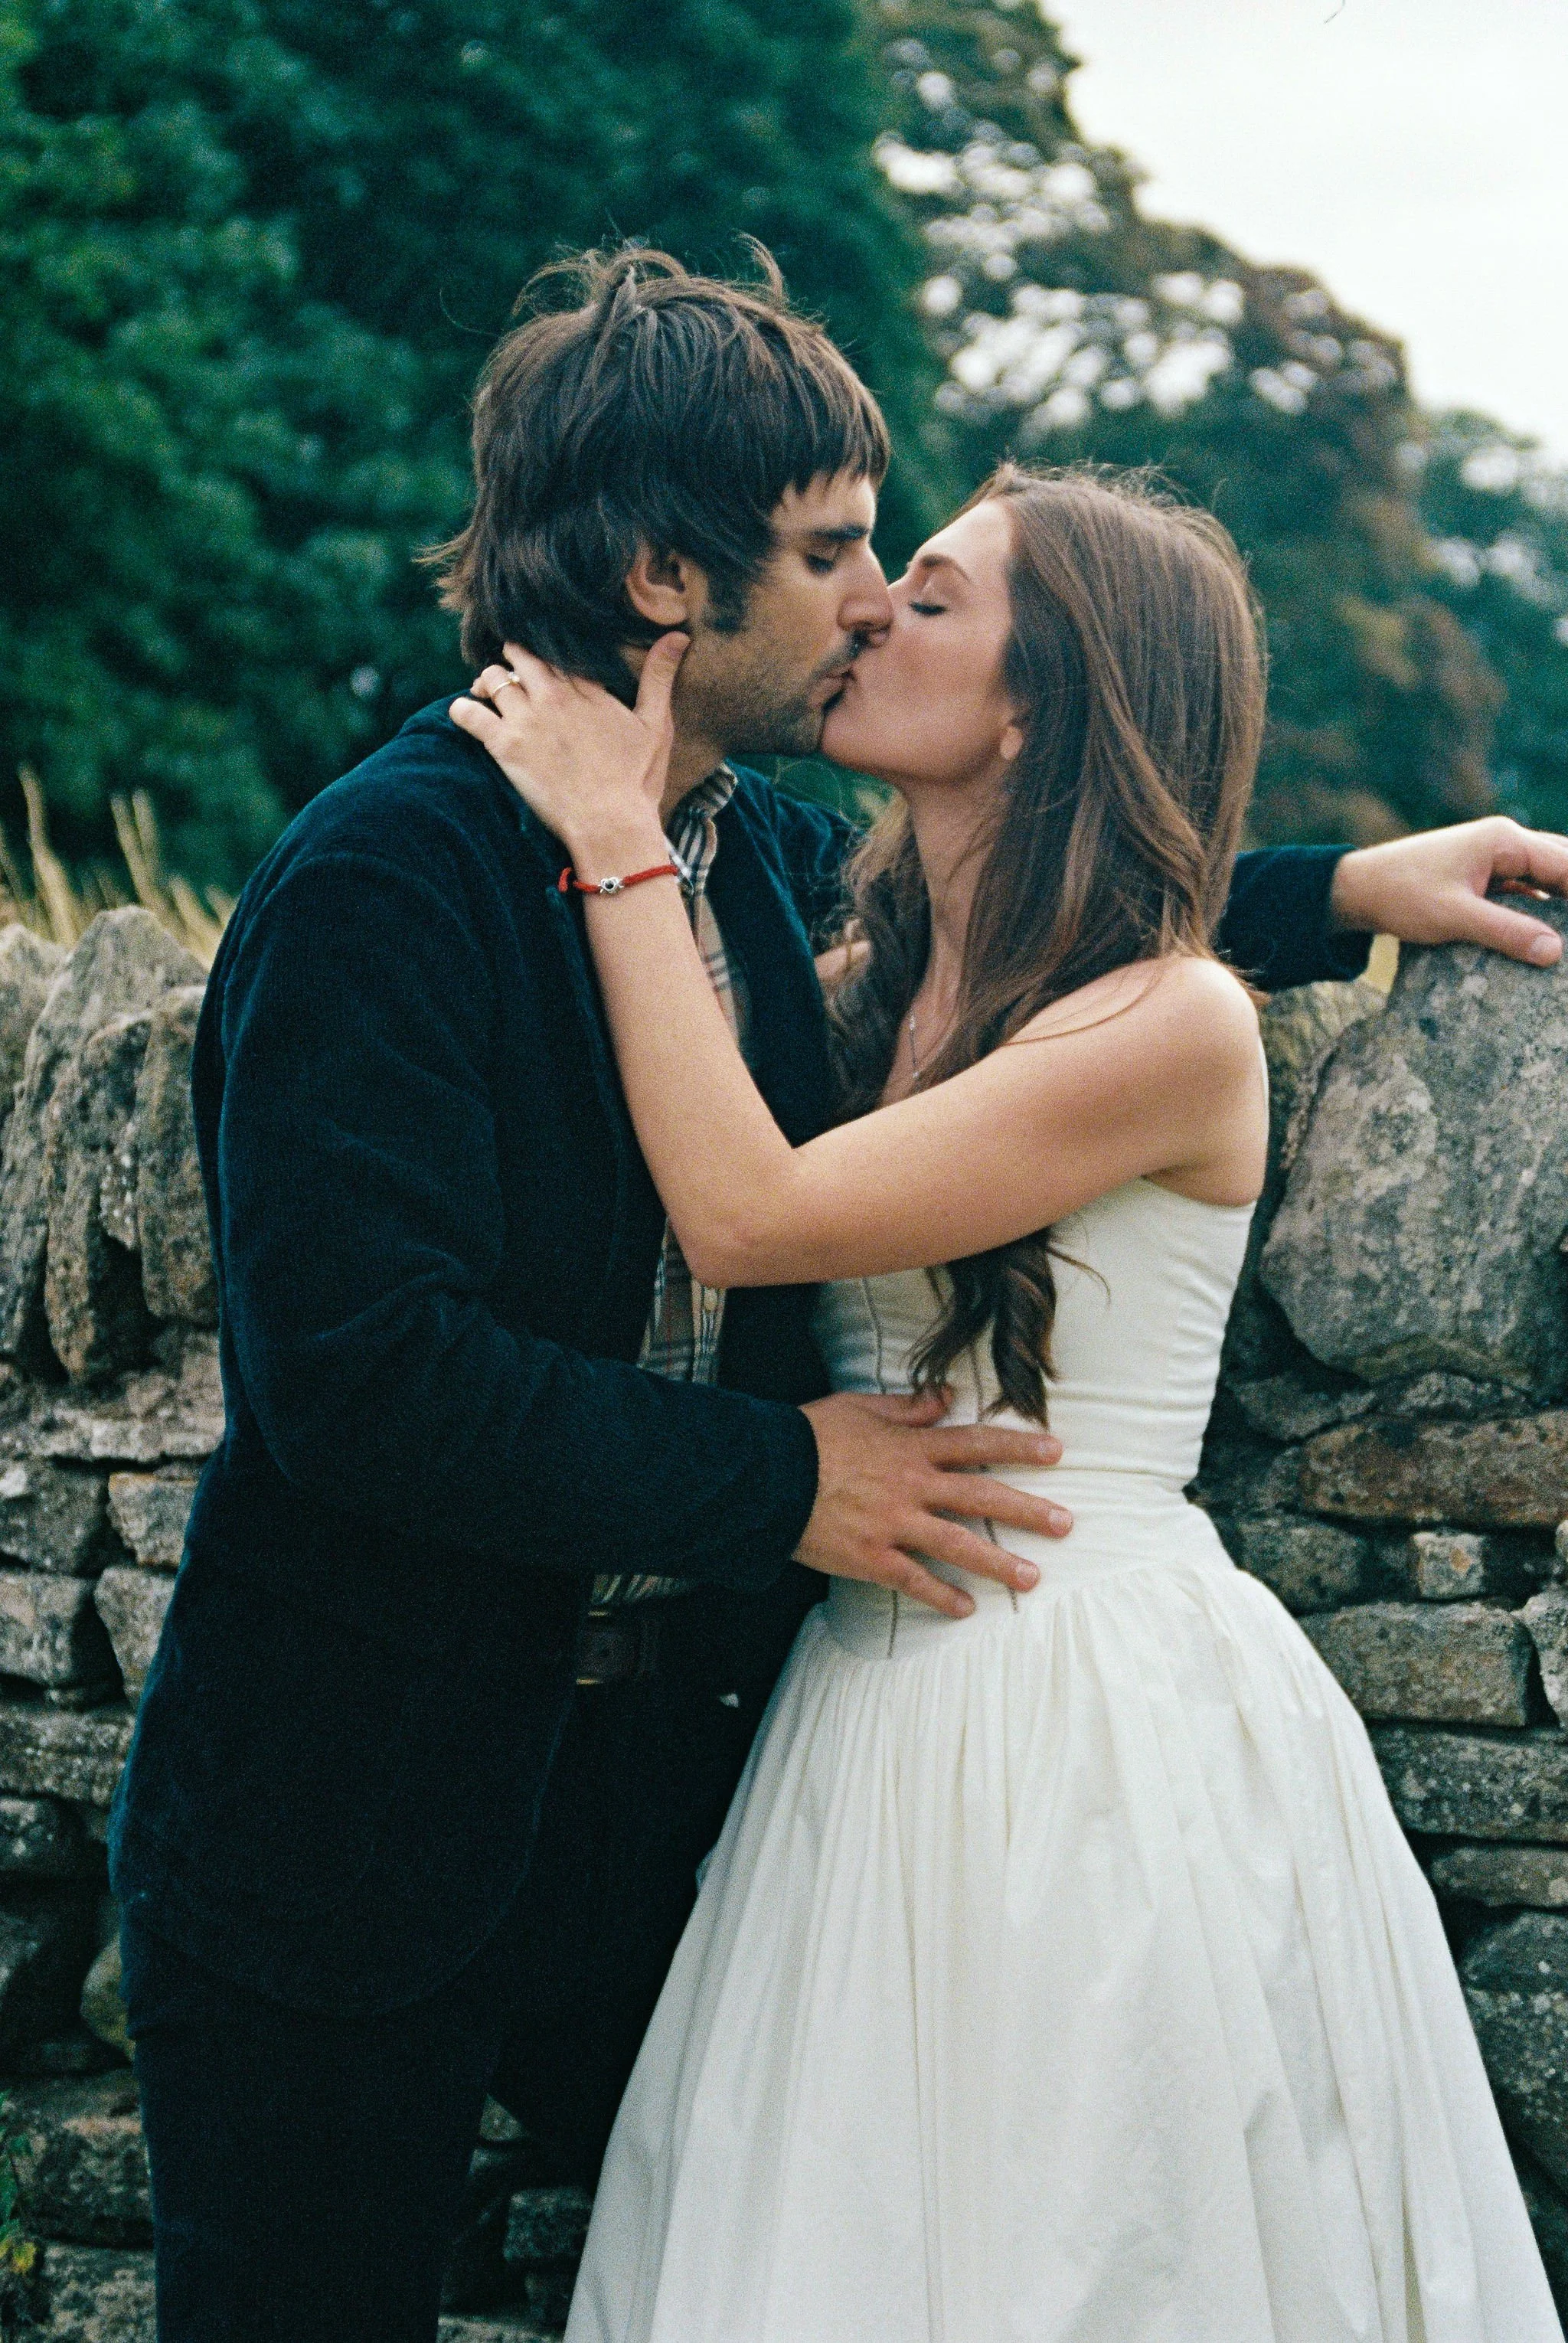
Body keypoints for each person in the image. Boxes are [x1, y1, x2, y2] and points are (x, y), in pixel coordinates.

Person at [109, 249, 1567, 2343]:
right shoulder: (388, 878)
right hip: (358, 1827)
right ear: (653, 573)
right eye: (829, 549)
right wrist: (775, 1480)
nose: (871, 594)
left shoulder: (752, 859)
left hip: (664, 1825)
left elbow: (1040, 929)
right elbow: (366, 1380)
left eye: (898, 555)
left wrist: (1333, 889)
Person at [459, 461, 1564, 2341]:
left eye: (938, 594)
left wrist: (610, 835)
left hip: (1089, 1715)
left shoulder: (1174, 1024)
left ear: (1045, 700)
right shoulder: (854, 969)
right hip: (856, 1710)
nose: (871, 604)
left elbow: (750, 1216)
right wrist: (1351, 884)